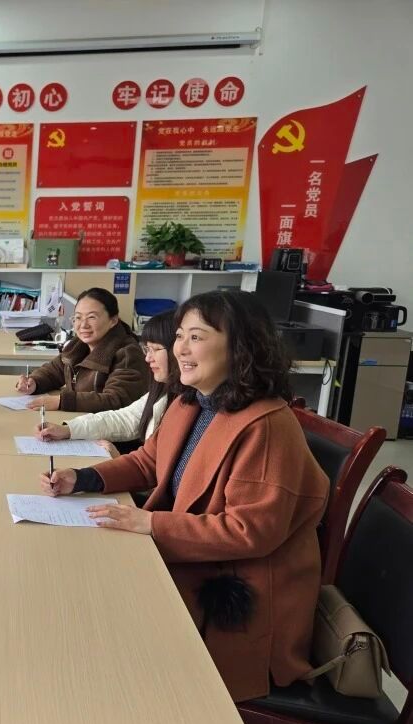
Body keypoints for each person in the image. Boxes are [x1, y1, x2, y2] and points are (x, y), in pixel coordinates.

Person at [41, 290, 329, 702]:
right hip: (193, 561)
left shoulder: (266, 425)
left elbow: (249, 531)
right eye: (179, 336)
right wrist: (82, 478)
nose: (181, 349)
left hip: (237, 599)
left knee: (91, 614)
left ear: (240, 346)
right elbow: (148, 462)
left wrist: (152, 523)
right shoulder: (192, 401)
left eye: (197, 337)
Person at [35, 310, 178, 458]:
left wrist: (119, 460)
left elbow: (114, 399)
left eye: (156, 349)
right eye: (147, 349)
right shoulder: (162, 390)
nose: (148, 358)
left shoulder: (126, 353)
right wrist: (68, 430)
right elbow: (126, 418)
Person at [15, 287, 149, 413]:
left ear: (113, 320)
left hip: (107, 428)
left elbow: (116, 399)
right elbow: (55, 371)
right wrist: (34, 382)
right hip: (80, 421)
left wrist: (62, 401)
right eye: (78, 317)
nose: (83, 325)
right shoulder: (78, 345)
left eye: (92, 317)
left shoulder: (127, 353)